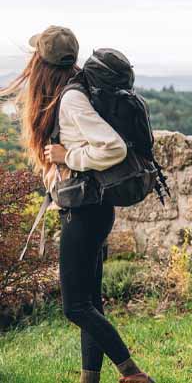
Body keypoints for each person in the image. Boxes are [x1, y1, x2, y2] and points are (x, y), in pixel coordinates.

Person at [0, 25, 156, 383]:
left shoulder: (71, 99)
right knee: (90, 303)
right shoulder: (72, 91)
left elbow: (113, 148)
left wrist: (67, 155)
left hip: (86, 213)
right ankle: (90, 379)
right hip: (91, 209)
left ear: (41, 64)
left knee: (75, 307)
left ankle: (133, 374)